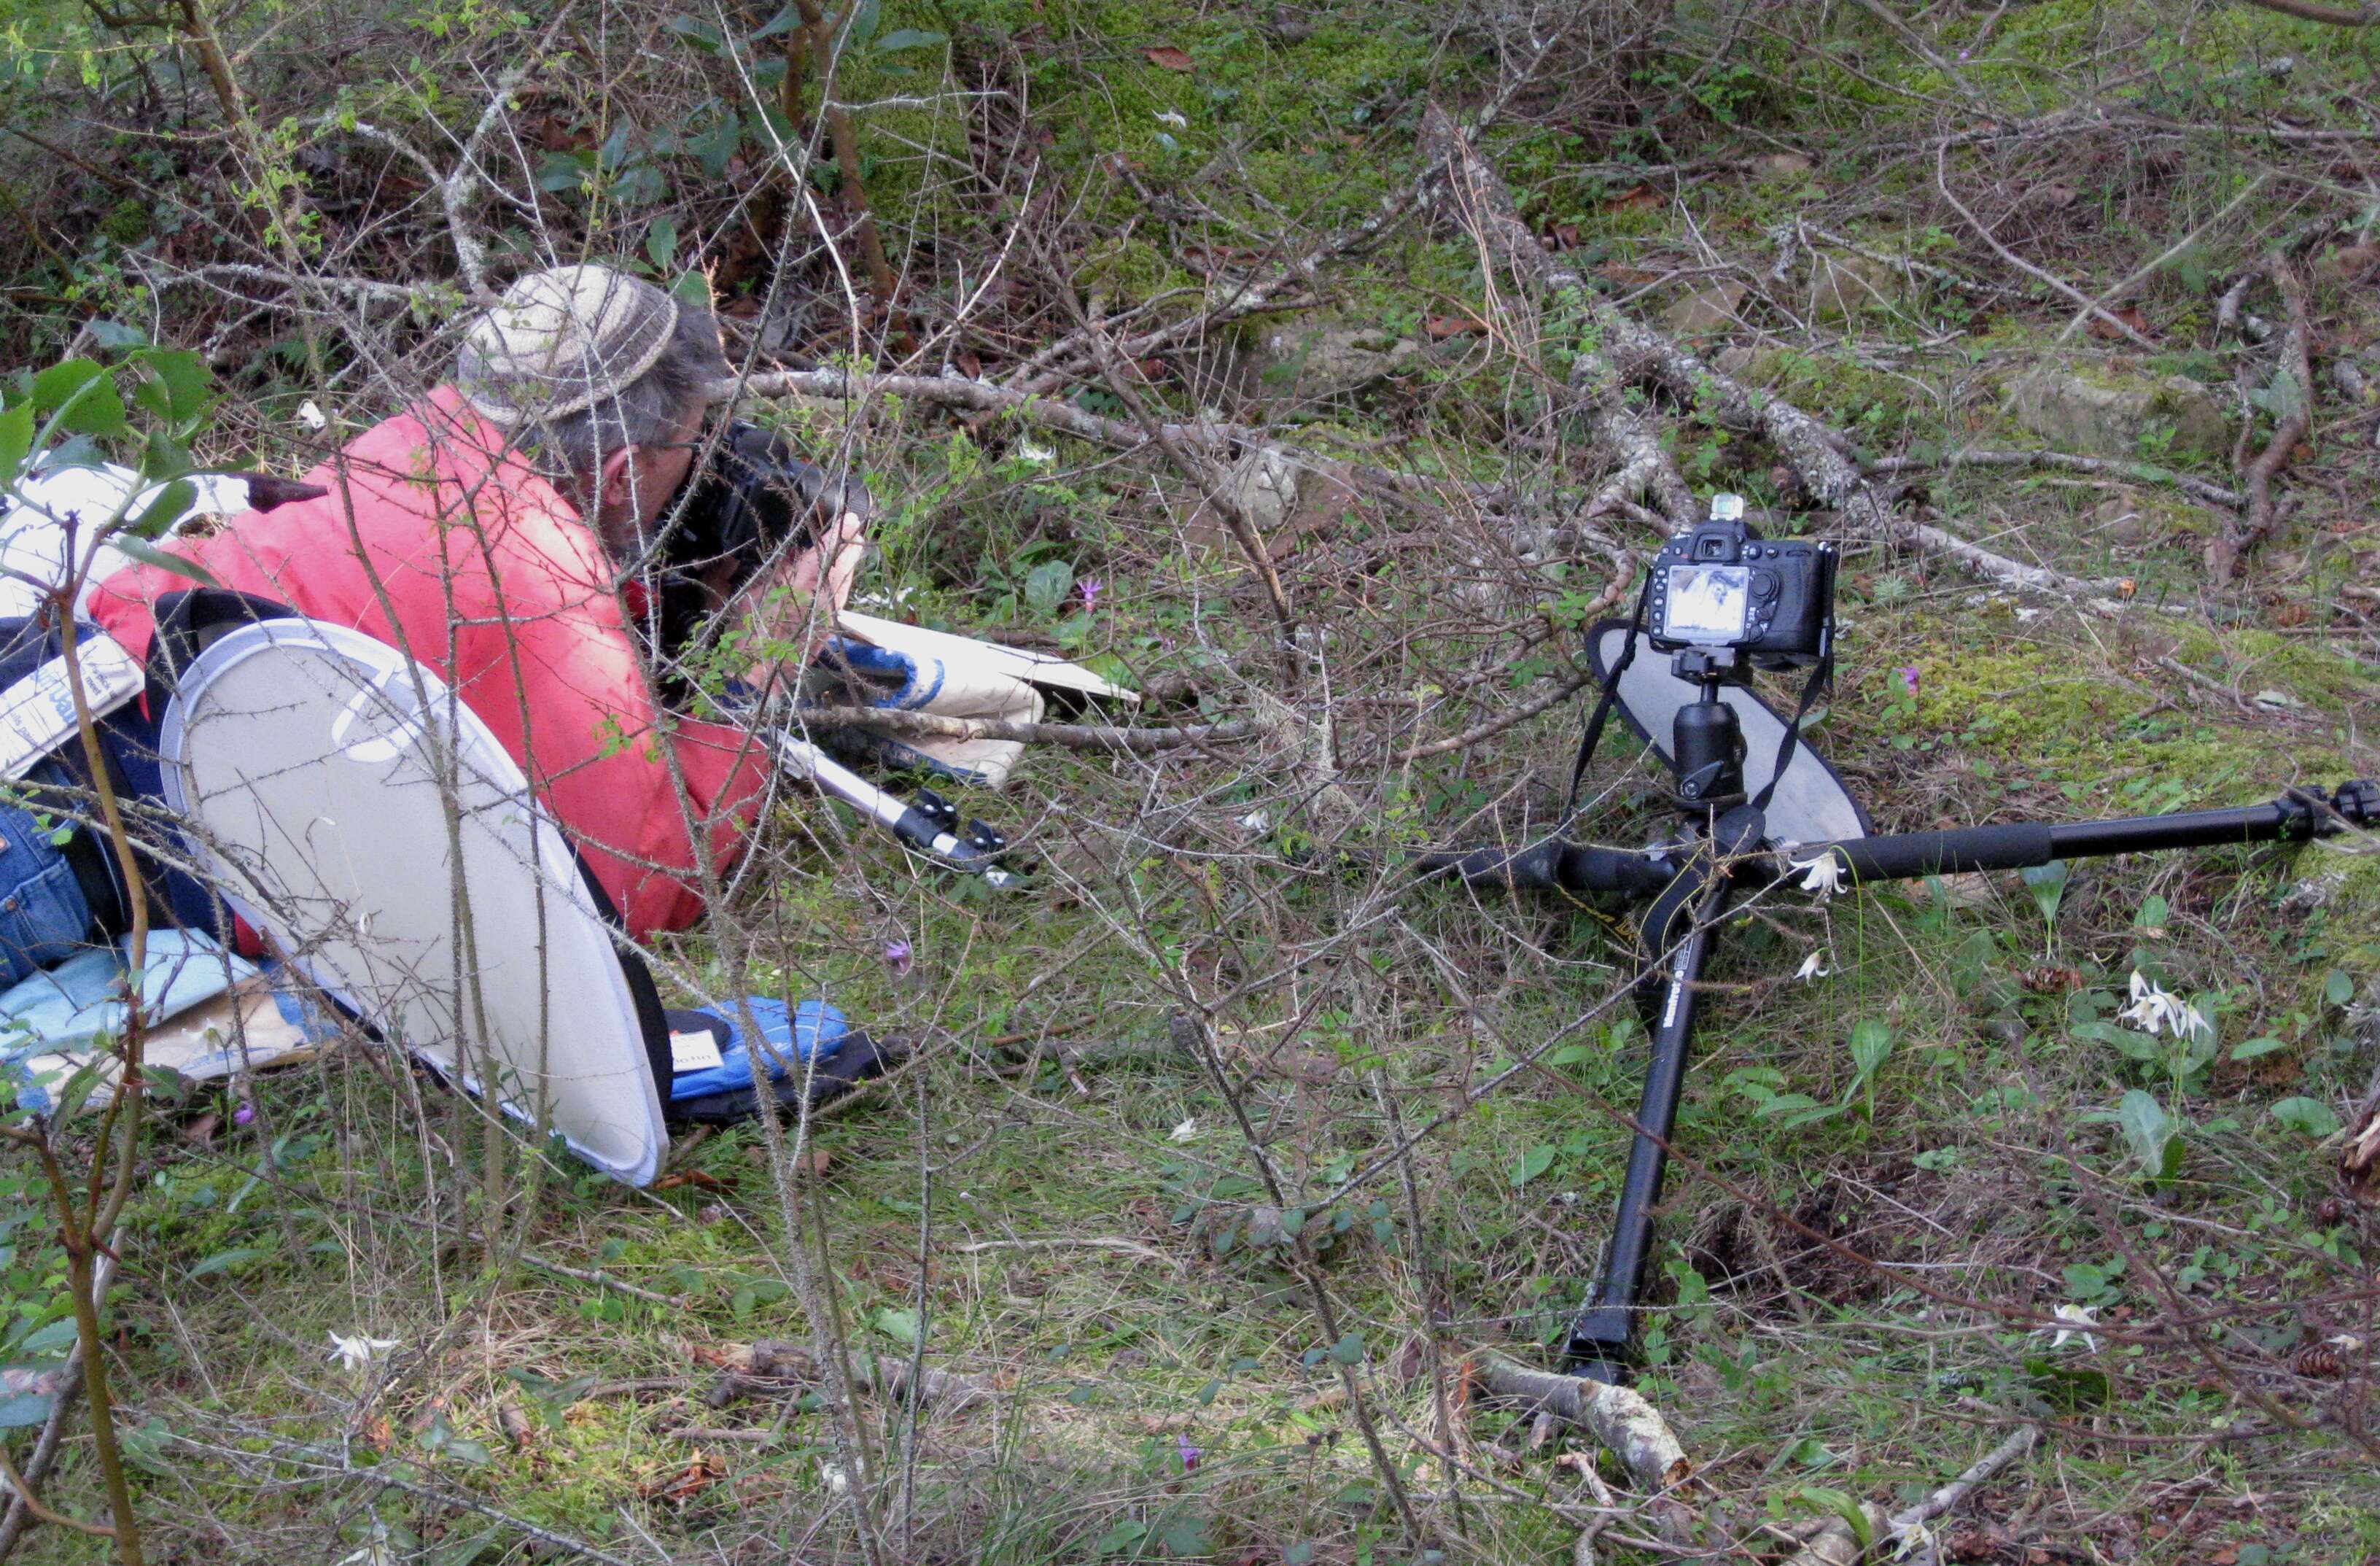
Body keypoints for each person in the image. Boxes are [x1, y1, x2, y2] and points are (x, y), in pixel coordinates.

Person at [85, 265, 869, 939]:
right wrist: (760, 669)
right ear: (623, 472)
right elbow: (642, 886)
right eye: (693, 445)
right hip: (97, 841)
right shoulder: (536, 575)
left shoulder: (411, 441)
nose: (704, 465)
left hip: (62, 687)